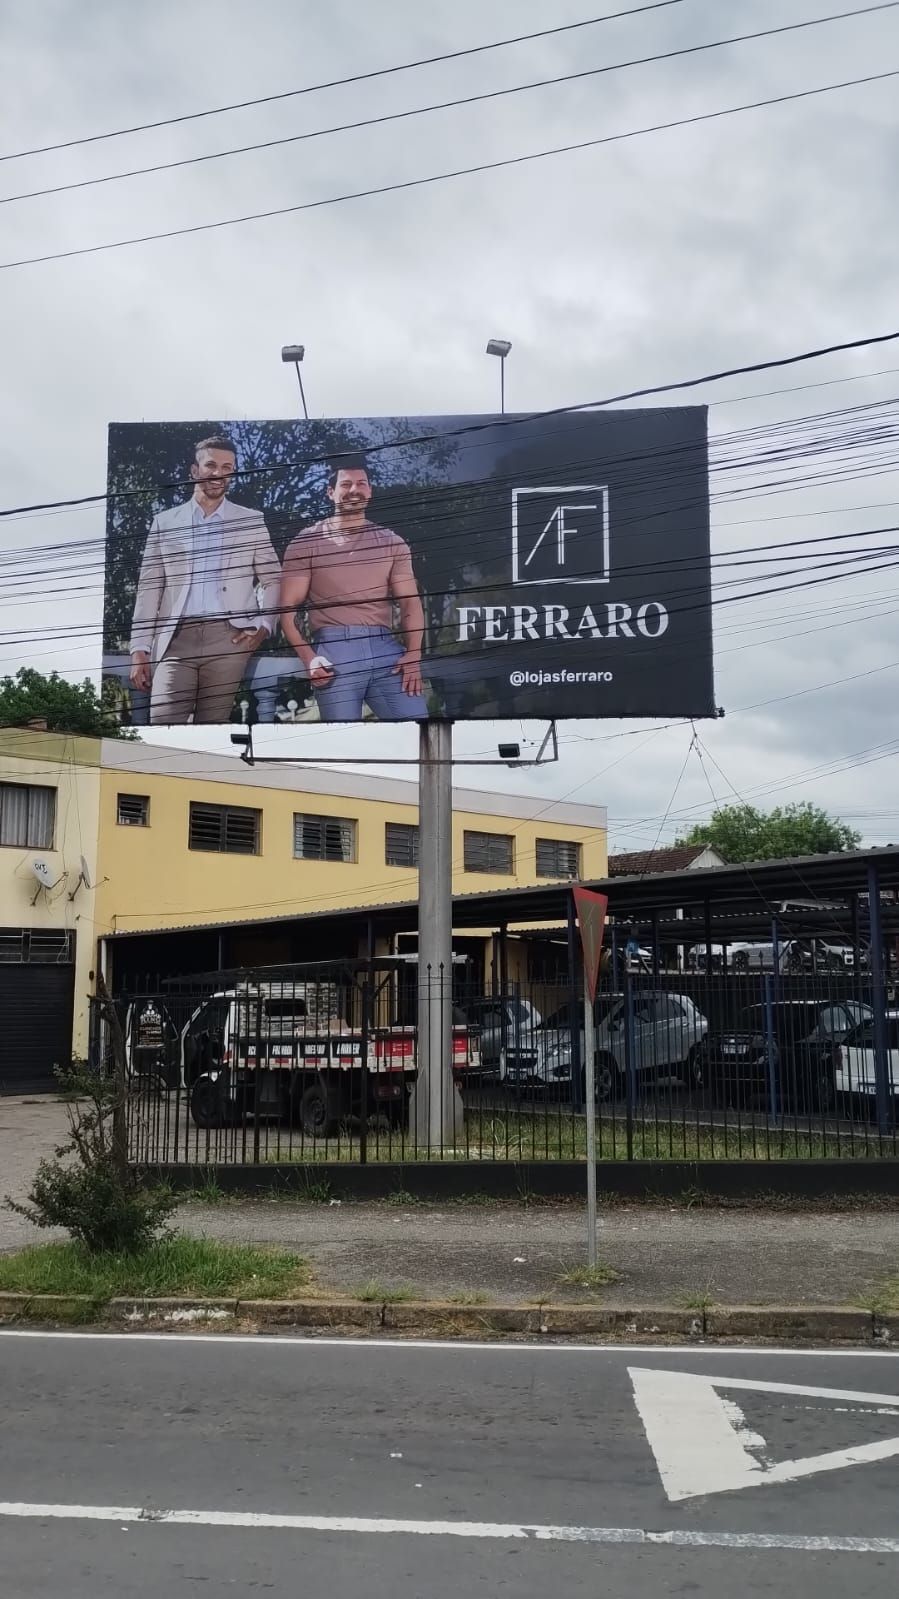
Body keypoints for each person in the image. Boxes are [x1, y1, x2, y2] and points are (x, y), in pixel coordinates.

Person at [129, 435, 281, 724]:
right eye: (211, 465)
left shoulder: (251, 520)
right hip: (175, 639)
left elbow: (273, 579)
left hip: (229, 638)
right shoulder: (165, 522)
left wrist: (264, 626)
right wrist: (139, 649)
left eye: (227, 467)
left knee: (212, 730)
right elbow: (149, 588)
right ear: (194, 470)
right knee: (163, 724)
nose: (218, 473)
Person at [279, 455, 428, 721]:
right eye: (346, 484)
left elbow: (409, 603)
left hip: (386, 649)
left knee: (418, 727)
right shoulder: (306, 542)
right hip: (334, 653)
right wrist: (308, 657)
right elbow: (287, 610)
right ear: (331, 492)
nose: (354, 490)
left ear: (370, 491)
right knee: (342, 736)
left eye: (361, 484)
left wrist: (414, 653)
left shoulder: (392, 542)